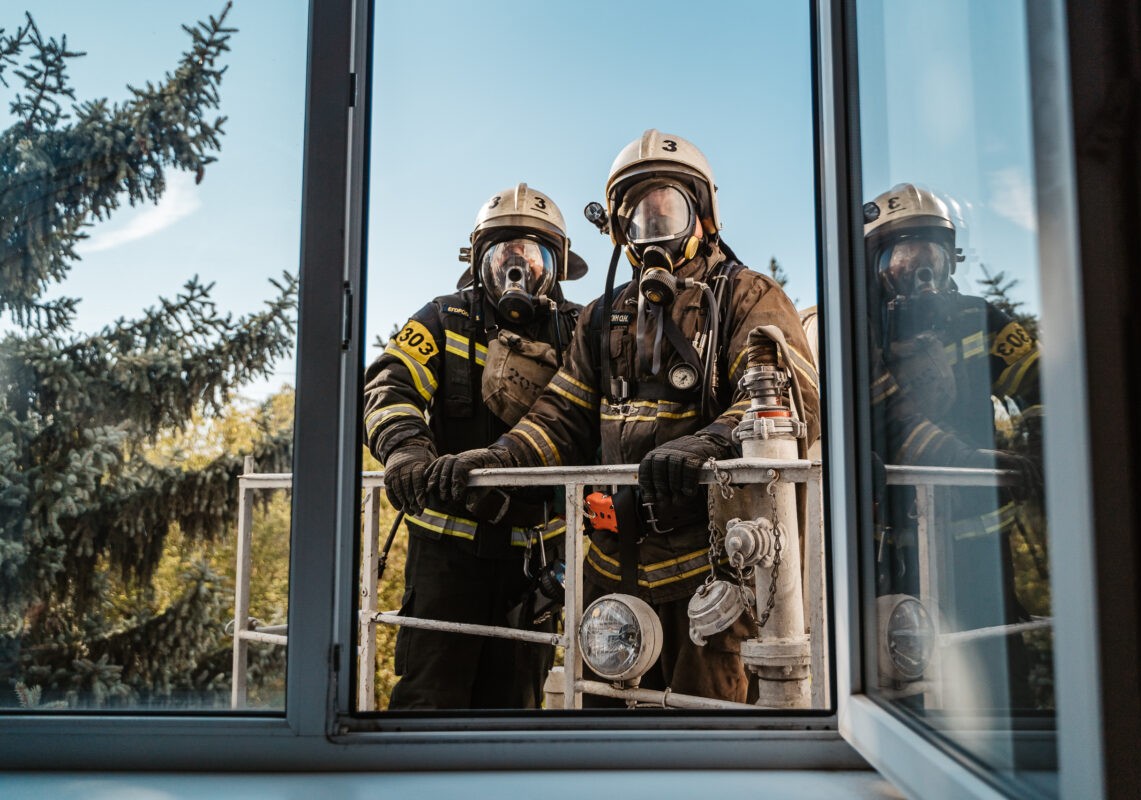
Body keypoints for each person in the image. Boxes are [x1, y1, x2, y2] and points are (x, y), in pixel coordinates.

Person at [427, 130, 821, 703]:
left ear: (704, 217)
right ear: (618, 229)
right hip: (611, 573)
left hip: (716, 575)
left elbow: (788, 398)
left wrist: (707, 446)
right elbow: (558, 416)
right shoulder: (601, 318)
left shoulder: (746, 295)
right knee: (607, 734)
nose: (651, 230)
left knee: (707, 743)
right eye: (637, 216)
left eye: (668, 211)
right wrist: (499, 457)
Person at [363, 183, 585, 709]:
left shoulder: (581, 332)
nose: (517, 269)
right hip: (446, 557)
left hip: (534, 560)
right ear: (477, 260)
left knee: (515, 708)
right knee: (427, 699)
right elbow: (389, 384)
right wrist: (405, 449)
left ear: (557, 265)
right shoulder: (441, 319)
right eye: (502, 255)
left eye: (532, 255)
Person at [863, 182, 1043, 708]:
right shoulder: (861, 334)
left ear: (952, 261)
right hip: (901, 544)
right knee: (912, 670)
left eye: (934, 260)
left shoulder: (978, 318)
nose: (922, 275)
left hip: (988, 545)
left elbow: (1039, 381)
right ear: (875, 264)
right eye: (904, 259)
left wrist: (1044, 445)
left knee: (1000, 668)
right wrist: (964, 461)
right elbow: (886, 418)